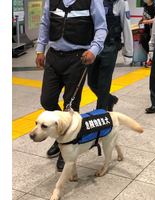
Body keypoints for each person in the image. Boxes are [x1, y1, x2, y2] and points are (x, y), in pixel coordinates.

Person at [35, 0, 108, 171]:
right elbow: (45, 23)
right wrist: (40, 49)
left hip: (77, 58)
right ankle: (59, 136)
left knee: (70, 106)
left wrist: (94, 49)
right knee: (47, 100)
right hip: (53, 56)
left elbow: (101, 28)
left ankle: (66, 149)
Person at [87, 0, 133, 111]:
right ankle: (110, 99)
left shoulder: (120, 2)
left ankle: (100, 113)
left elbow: (126, 27)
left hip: (110, 45)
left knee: (104, 83)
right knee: (91, 82)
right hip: (94, 46)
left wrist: (128, 53)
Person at [139, 0, 155, 67]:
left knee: (152, 45)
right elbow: (145, 16)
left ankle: (153, 60)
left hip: (153, 29)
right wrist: (142, 20)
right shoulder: (145, 6)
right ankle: (151, 59)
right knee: (144, 43)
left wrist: (147, 21)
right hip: (146, 28)